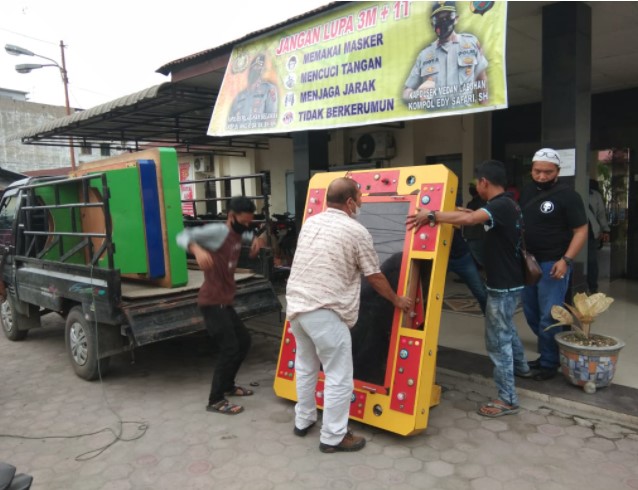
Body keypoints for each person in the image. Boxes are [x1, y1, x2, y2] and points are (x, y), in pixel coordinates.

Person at [285, 177, 413, 453]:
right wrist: (397, 300)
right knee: (339, 376)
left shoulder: (311, 223)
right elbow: (375, 276)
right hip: (325, 312)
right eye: (360, 199)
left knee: (306, 367)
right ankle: (333, 437)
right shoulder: (356, 231)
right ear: (350, 202)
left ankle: (303, 420)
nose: (362, 204)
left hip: (296, 308)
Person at [407, 160, 530, 418]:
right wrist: (447, 210)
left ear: (484, 182)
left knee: (497, 342)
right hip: (509, 281)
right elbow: (470, 212)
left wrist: (431, 216)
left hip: (503, 284)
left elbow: (471, 218)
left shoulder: (500, 206)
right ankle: (521, 367)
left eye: (477, 184)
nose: (477, 188)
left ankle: (508, 398)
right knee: (506, 330)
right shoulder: (507, 203)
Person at [176, 196, 265, 415]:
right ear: (231, 216)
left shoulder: (238, 233)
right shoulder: (217, 232)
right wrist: (197, 250)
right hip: (212, 301)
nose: (246, 226)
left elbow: (253, 235)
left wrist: (259, 239)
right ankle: (215, 399)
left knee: (244, 341)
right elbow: (182, 235)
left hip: (225, 301)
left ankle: (228, 385)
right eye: (243, 222)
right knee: (230, 348)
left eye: (249, 223)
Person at [519, 148, 588, 381]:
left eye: (547, 172)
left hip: (553, 264)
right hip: (529, 263)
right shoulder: (527, 191)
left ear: (557, 171)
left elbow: (581, 231)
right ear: (531, 169)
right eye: (537, 171)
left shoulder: (568, 196)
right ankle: (548, 353)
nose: (541, 176)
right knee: (531, 311)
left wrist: (566, 260)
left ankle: (549, 363)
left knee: (550, 315)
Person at [402, 1, 488, 111]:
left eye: (448, 17)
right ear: (432, 24)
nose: (443, 22)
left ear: (456, 18)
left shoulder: (471, 44)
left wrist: (485, 108)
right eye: (437, 19)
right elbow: (405, 94)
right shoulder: (424, 55)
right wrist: (417, 95)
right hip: (434, 121)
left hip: (466, 118)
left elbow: (481, 79)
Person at [226, 53, 278, 130]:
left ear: (263, 71)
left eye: (259, 67)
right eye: (254, 67)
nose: (256, 70)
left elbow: (271, 118)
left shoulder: (268, 89)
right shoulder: (240, 96)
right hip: (238, 135)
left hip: (260, 135)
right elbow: (230, 121)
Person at [587, 179, 610, 293]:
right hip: (571, 232)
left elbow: (601, 214)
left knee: (591, 261)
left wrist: (605, 230)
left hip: (590, 233)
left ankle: (592, 287)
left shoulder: (595, 195)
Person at [463, 182, 487, 268]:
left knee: (479, 257)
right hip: (471, 235)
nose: (470, 189)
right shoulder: (474, 201)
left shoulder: (481, 202)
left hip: (476, 235)